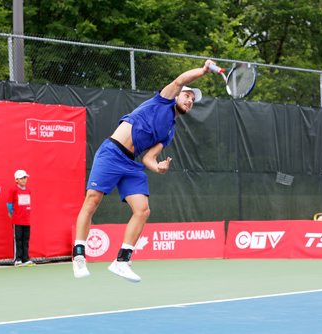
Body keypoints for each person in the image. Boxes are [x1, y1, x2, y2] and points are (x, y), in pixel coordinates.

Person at [72, 59, 216, 282]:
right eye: (187, 95)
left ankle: (122, 261)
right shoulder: (162, 101)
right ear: (177, 95)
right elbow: (180, 80)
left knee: (143, 210)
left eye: (193, 99)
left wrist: (157, 167)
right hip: (112, 152)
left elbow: (149, 157)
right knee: (92, 200)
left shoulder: (169, 131)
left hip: (130, 163)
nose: (190, 100)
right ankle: (79, 256)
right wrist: (203, 71)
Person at [7, 169, 34, 267]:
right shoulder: (13, 190)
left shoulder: (28, 190)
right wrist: (11, 213)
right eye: (22, 178)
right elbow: (9, 203)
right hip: (17, 220)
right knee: (18, 239)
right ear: (16, 180)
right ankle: (17, 259)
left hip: (27, 221)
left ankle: (25, 258)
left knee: (26, 240)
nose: (24, 180)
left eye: (25, 178)